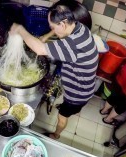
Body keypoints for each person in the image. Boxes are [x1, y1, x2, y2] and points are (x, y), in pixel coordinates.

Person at [10, 1, 98, 139]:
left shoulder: (71, 44)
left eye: (52, 27)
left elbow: (39, 50)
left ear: (63, 24)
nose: (52, 29)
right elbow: (57, 27)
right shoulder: (79, 27)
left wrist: (20, 30)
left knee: (62, 117)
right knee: (69, 108)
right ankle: (69, 110)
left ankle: (56, 134)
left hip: (77, 94)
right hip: (86, 84)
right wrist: (46, 36)